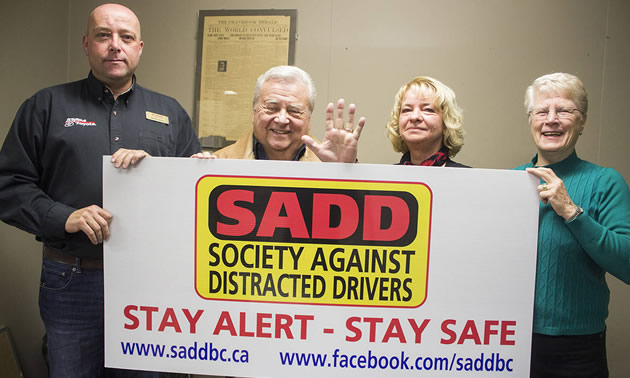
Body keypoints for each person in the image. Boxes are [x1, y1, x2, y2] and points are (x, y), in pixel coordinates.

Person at [0, 3, 201, 377]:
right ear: (86, 43)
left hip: (150, 284)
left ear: (140, 47)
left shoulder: (170, 112)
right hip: (72, 281)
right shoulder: (46, 105)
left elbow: (193, 197)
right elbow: (8, 185)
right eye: (104, 35)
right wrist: (63, 216)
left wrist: (167, 171)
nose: (115, 45)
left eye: (126, 37)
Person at [516, 72, 630, 377]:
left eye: (564, 110)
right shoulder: (509, 182)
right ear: (531, 120)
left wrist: (571, 211)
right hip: (509, 340)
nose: (551, 119)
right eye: (542, 111)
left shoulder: (606, 181)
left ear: (582, 122)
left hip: (578, 350)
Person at [194, 65, 365, 162]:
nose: (282, 119)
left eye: (294, 110)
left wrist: (344, 172)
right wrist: (193, 173)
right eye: (272, 107)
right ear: (253, 113)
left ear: (309, 119)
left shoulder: (327, 164)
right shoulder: (219, 163)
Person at [385, 76, 468, 167]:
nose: (414, 117)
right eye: (407, 110)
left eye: (427, 110)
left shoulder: (468, 178)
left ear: (446, 123)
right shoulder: (385, 177)